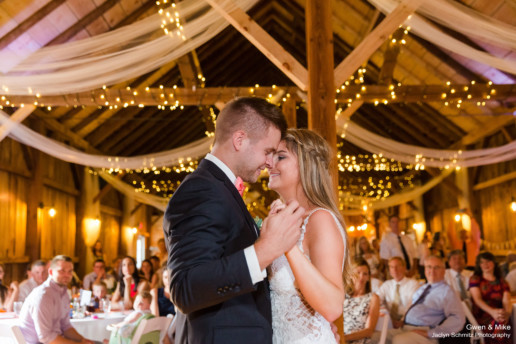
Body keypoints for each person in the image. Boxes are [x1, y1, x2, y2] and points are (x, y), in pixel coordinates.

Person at [164, 97, 305, 344]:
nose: (270, 162)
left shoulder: (218, 188)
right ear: (239, 140)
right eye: (267, 151)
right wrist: (265, 249)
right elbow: (184, 288)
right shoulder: (201, 189)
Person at [267, 128, 348, 343]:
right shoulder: (283, 219)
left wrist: (286, 242)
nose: (269, 164)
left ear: (305, 166)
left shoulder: (320, 219)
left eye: (280, 157)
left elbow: (332, 306)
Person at [386, 255, 465, 344]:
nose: (432, 271)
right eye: (429, 267)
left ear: (444, 270)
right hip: (404, 328)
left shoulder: (447, 291)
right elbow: (412, 307)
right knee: (374, 338)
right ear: (425, 269)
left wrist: (431, 333)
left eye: (436, 267)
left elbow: (458, 319)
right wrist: (402, 321)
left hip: (424, 334)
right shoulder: (422, 288)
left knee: (400, 340)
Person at [18, 255, 95, 344]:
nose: (67, 275)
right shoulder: (43, 295)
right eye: (62, 271)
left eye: (70, 271)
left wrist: (83, 340)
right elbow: (45, 337)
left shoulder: (64, 293)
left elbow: (66, 327)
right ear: (51, 272)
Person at [469, 251, 512, 343]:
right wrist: (492, 312)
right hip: (482, 315)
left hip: (500, 315)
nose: (485, 264)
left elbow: (507, 301)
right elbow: (477, 299)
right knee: (500, 326)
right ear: (479, 265)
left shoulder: (502, 282)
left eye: (488, 261)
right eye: (482, 262)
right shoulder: (475, 279)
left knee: (502, 322)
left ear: (494, 263)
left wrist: (507, 315)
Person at [375, 257, 420, 329]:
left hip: (407, 322)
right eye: (392, 267)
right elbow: (376, 300)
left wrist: (403, 321)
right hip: (389, 322)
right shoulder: (386, 284)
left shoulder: (413, 284)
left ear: (404, 268)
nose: (394, 270)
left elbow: (412, 306)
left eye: (397, 266)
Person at [343, 258, 379, 344]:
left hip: (358, 341)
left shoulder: (373, 298)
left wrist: (344, 338)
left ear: (368, 277)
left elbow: (369, 331)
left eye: (365, 274)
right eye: (358, 273)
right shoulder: (343, 296)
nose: (361, 277)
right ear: (351, 275)